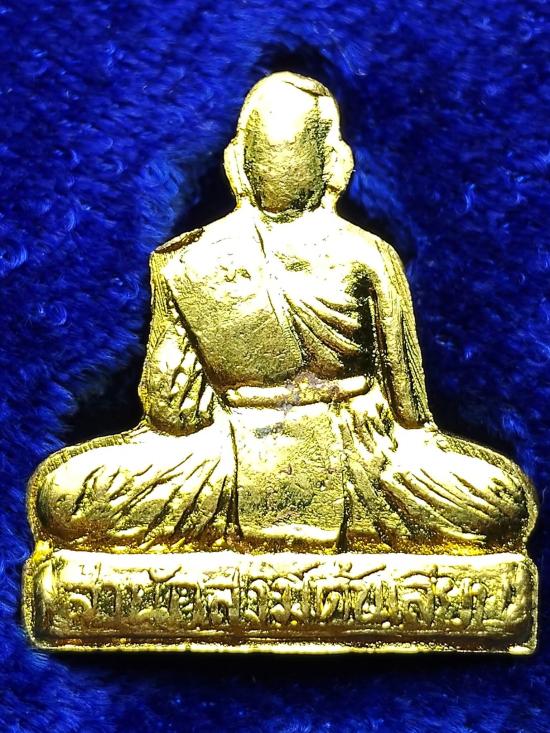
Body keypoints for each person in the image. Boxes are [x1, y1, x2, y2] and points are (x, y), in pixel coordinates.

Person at [30, 72, 536, 554]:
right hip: (359, 470)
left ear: (236, 164)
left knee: (67, 496)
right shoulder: (366, 255)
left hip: (228, 469)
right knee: (499, 501)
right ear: (336, 163)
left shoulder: (191, 261)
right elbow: (409, 414)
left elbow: (173, 413)